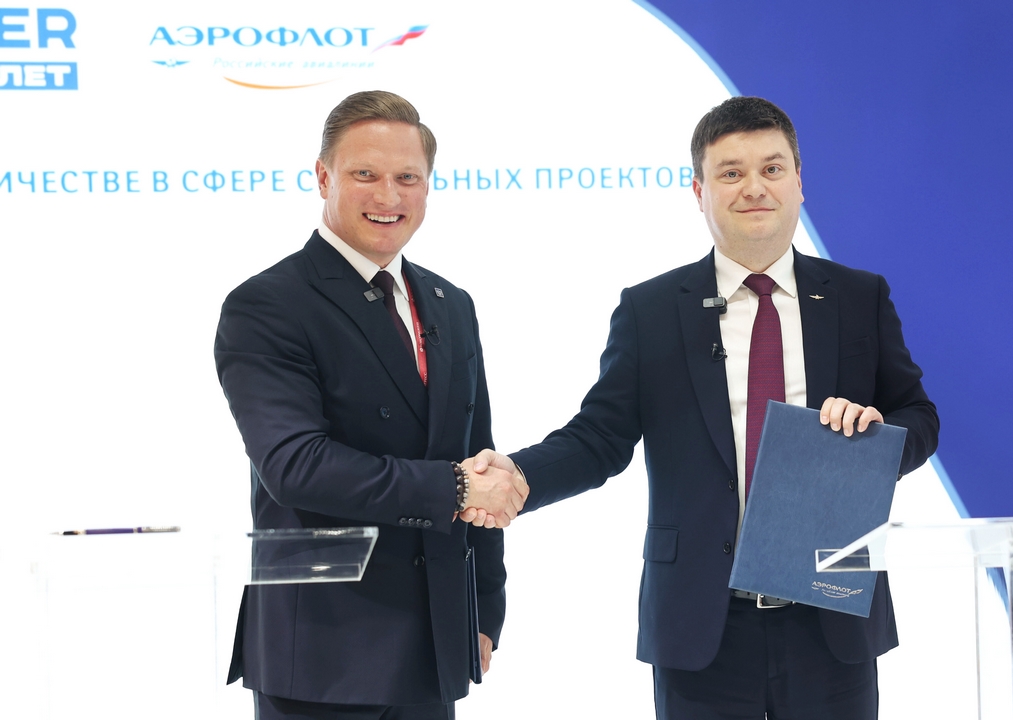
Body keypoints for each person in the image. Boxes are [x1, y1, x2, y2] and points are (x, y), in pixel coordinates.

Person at [468, 96, 938, 718]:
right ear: (699, 190)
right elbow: (599, 437)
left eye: (772, 169)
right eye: (731, 172)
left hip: (831, 611)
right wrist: (520, 475)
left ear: (799, 182)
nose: (754, 187)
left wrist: (878, 438)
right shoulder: (652, 310)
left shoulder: (858, 297)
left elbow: (918, 416)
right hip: (701, 623)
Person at [214, 90, 528, 720]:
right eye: (365, 174)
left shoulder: (451, 304)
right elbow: (296, 466)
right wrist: (456, 487)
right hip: (320, 648)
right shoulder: (267, 304)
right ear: (323, 177)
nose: (389, 196)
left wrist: (483, 608)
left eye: (407, 178)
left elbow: (478, 454)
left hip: (434, 639)